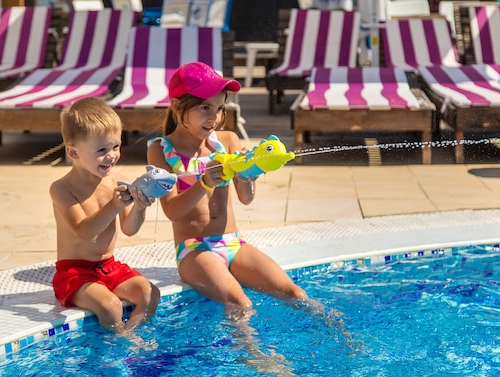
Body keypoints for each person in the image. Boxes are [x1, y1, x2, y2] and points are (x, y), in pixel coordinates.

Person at [146, 61, 309, 313]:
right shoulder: (161, 151)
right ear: (178, 106)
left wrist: (249, 174)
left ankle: (335, 334)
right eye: (205, 108)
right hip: (194, 250)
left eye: (220, 108)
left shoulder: (227, 140)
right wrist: (204, 182)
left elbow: (246, 198)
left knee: (295, 294)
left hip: (233, 244)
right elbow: (172, 211)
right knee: (240, 304)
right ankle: (250, 354)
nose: (215, 117)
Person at [50, 97, 160, 333]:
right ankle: (119, 345)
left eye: (116, 147)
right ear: (73, 152)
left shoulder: (114, 181)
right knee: (110, 306)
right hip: (75, 274)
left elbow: (129, 229)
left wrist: (139, 208)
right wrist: (114, 205)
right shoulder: (62, 189)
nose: (111, 156)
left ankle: (132, 336)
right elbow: (84, 231)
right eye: (102, 150)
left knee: (150, 293)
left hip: (108, 267)